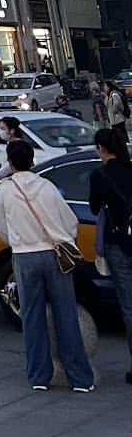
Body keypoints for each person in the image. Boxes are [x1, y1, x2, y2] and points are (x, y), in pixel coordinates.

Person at [0, 136, 94, 392]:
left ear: (11, 163)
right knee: (66, 314)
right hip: (54, 255)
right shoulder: (47, 187)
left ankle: (39, 376)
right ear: (32, 160)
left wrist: (18, 241)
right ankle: (80, 378)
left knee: (32, 316)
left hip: (24, 257)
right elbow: (70, 222)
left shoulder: (5, 190)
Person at [89, 126, 132, 383]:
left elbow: (94, 208)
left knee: (128, 305)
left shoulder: (99, 175)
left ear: (102, 149)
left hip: (118, 244)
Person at [107, 80, 130, 151]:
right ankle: (124, 146)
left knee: (121, 134)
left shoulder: (114, 94)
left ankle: (125, 147)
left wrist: (113, 110)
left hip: (117, 119)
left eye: (105, 86)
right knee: (121, 133)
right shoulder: (110, 95)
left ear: (109, 87)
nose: (104, 88)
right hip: (115, 119)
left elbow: (117, 103)